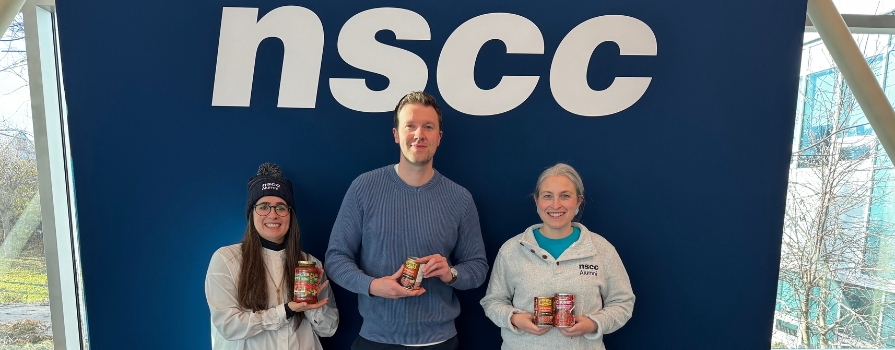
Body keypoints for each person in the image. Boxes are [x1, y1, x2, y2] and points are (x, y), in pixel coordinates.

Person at [325, 91, 488, 350]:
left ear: (439, 137)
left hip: (440, 342)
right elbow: (335, 258)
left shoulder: (460, 198)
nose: (419, 134)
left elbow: (478, 267)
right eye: (410, 125)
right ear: (396, 134)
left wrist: (451, 273)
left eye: (428, 127)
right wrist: (373, 286)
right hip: (375, 340)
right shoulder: (363, 188)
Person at [480, 163, 634, 350]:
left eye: (565, 196)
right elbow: (492, 301)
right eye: (547, 196)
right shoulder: (512, 249)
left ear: (579, 201)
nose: (555, 205)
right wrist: (514, 318)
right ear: (537, 201)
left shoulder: (601, 249)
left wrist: (594, 324)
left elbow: (623, 302)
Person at [205, 163, 338, 350]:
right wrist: (287, 310)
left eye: (281, 207)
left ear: (290, 215)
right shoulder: (226, 259)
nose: (273, 215)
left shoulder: (310, 263)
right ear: (252, 213)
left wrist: (312, 305)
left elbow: (329, 330)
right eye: (264, 206)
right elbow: (229, 326)